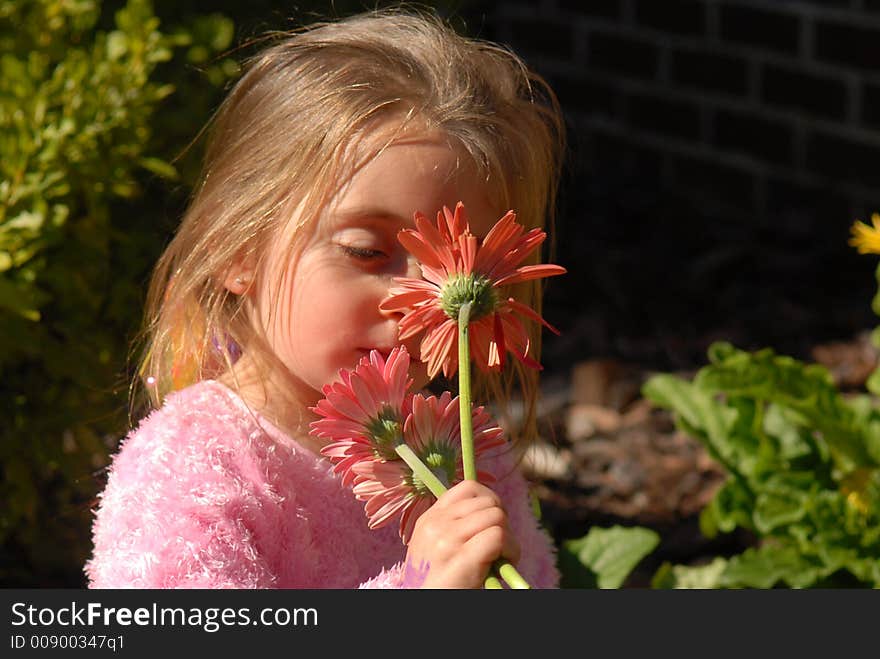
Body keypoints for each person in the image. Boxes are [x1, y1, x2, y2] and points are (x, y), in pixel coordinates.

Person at [85, 7, 565, 589]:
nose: (419, 303)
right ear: (239, 248)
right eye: (365, 251)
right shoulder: (196, 471)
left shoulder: (465, 458)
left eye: (456, 271)